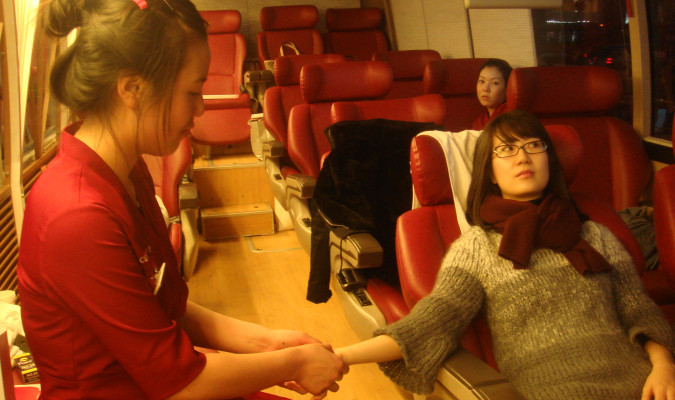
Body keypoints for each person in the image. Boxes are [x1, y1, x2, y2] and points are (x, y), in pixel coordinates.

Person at [17, 1, 346, 399]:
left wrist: (267, 343)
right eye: (192, 92)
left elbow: (162, 306)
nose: (201, 108)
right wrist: (292, 364)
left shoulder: (126, 171)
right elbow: (179, 384)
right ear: (133, 89)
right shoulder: (77, 216)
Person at [335, 110, 675, 400]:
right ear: (490, 172)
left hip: (647, 383)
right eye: (506, 149)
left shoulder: (595, 234)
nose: (522, 157)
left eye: (533, 145)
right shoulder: (478, 248)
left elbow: (639, 311)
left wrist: (664, 366)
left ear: (549, 160)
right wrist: (340, 357)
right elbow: (431, 322)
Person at [472, 58, 512, 130]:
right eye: (482, 81)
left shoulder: (510, 119)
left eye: (495, 83)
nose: (485, 88)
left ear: (507, 88)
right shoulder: (479, 123)